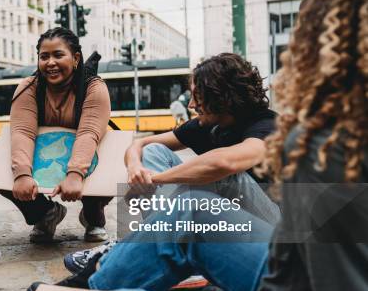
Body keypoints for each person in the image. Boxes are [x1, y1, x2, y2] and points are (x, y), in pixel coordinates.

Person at [29, 0, 368, 291]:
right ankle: (102, 278)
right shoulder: (326, 134)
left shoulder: (317, 142)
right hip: (297, 270)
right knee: (191, 205)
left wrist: (155, 182)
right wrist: (138, 165)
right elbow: (141, 143)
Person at [63, 52, 280, 273]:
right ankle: (172, 253)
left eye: (198, 96)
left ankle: (137, 247)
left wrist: (153, 179)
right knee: (154, 151)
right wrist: (135, 169)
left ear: (221, 96)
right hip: (227, 227)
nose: (192, 104)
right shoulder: (208, 125)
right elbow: (139, 144)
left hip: (275, 233)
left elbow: (224, 164)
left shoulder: (267, 124)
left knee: (224, 175)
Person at [0, 27, 112, 243]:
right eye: (44, 56)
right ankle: (46, 214)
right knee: (4, 172)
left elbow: (89, 132)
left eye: (58, 55)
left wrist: (75, 174)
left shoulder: (94, 87)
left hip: (85, 158)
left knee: (107, 161)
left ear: (75, 57)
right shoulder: (28, 87)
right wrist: (22, 174)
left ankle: (93, 216)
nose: (50, 62)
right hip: (45, 158)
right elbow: (22, 131)